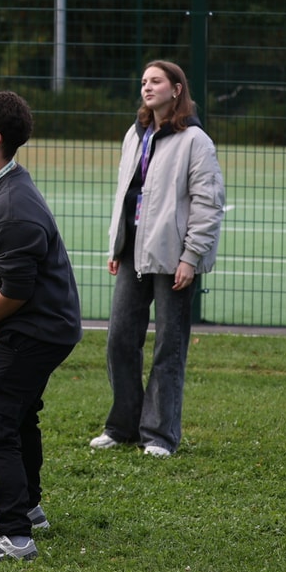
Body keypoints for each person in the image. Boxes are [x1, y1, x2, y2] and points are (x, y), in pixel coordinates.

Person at [0, 88, 82, 562]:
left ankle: (16, 537)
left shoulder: (13, 205)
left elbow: (19, 289)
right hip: (32, 323)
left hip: (41, 329)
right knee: (18, 413)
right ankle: (29, 510)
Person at [91, 60, 225, 458]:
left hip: (173, 258)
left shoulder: (195, 141)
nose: (147, 87)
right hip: (133, 253)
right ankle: (122, 427)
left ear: (176, 89)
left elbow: (208, 204)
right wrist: (117, 247)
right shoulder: (136, 134)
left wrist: (190, 257)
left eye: (156, 81)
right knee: (120, 340)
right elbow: (126, 194)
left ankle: (159, 435)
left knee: (169, 347)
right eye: (144, 81)